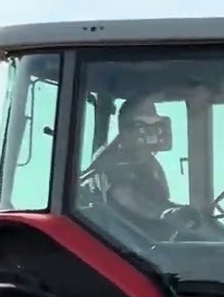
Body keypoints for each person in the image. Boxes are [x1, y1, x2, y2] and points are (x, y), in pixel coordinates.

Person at [84, 94, 202, 227]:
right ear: (127, 130)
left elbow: (160, 202)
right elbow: (126, 197)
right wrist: (163, 214)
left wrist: (181, 213)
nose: (154, 133)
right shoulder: (110, 163)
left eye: (156, 125)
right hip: (119, 237)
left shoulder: (149, 164)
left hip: (145, 234)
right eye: (146, 127)